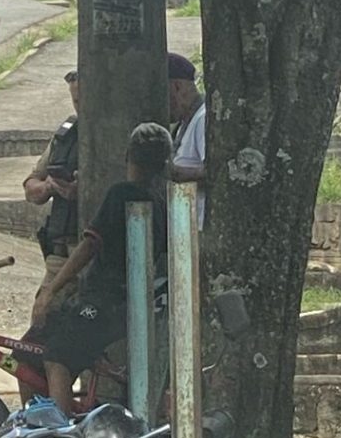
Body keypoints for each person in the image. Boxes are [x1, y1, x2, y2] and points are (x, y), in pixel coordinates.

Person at [21, 122, 173, 415]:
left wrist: (51, 291)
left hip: (106, 302)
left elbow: (88, 246)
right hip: (105, 300)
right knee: (27, 351)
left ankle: (60, 437)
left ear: (129, 157)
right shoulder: (164, 202)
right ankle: (38, 421)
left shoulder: (122, 194)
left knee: (57, 356)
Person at [19, 69, 82, 405]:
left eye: (82, 96)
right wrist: (48, 188)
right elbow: (31, 184)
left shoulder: (109, 131)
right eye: (74, 98)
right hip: (56, 256)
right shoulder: (66, 134)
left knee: (54, 350)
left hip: (83, 255)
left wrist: (81, 191)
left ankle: (60, 424)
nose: (79, 104)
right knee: (32, 347)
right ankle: (36, 417)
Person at [167, 53, 207, 230]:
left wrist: (173, 173)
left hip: (199, 227)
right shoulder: (183, 123)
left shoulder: (203, 119)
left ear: (176, 87)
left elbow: (216, 174)